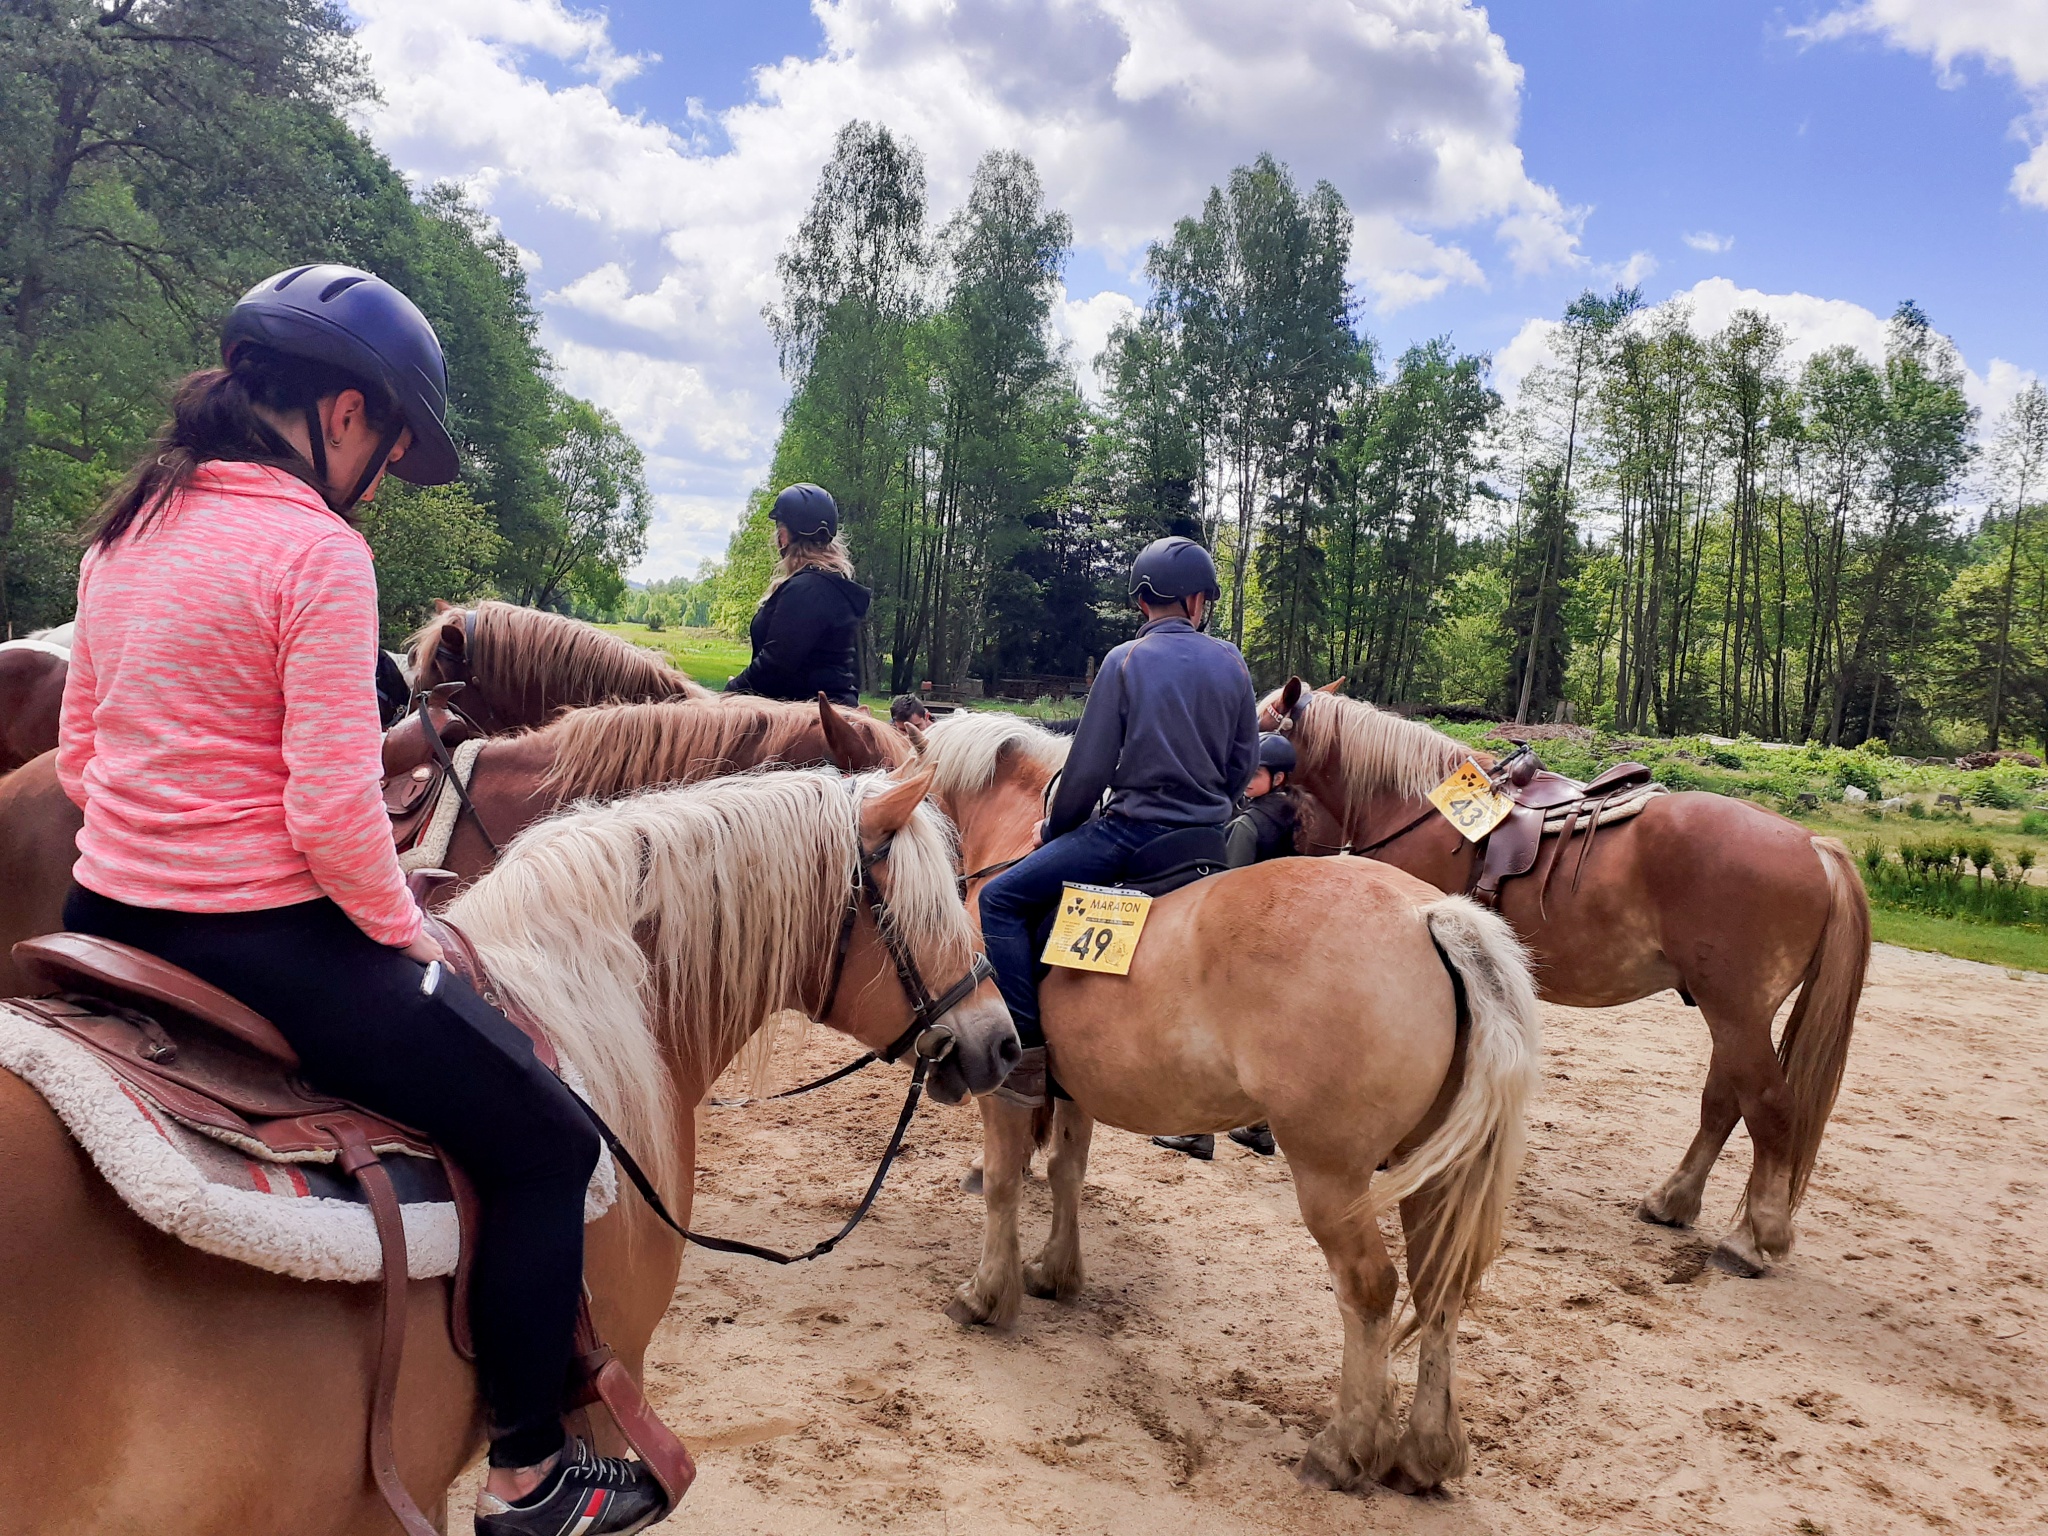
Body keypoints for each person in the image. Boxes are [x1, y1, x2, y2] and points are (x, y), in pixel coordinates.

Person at [55, 264, 663, 1535]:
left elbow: (80, 758)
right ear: (343, 412)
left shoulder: (126, 534)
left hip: (101, 916)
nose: (378, 481)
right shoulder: (318, 552)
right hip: (262, 945)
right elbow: (334, 823)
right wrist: (409, 931)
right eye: (386, 449)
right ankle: (533, 1471)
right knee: (547, 1143)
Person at [978, 536, 1258, 1106]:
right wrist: (1212, 809)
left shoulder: (1125, 661)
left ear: (1143, 602)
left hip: (1130, 834)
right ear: (1197, 601)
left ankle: (1026, 1056)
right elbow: (1243, 765)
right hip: (1206, 841)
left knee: (999, 899)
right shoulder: (1232, 661)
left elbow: (1087, 772)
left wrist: (1056, 830)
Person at [1153, 733, 1297, 1161]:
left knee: (1206, 1031)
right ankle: (1259, 1127)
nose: (1248, 778)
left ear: (1278, 777)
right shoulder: (1299, 816)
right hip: (1283, 941)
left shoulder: (1248, 825)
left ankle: (1196, 1131)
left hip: (1243, 942)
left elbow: (1224, 886)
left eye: (1257, 772)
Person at [723, 483, 871, 706]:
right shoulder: (829, 586)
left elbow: (775, 665)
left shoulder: (806, 589)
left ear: (783, 536)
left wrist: (730, 693)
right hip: (827, 707)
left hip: (806, 714)